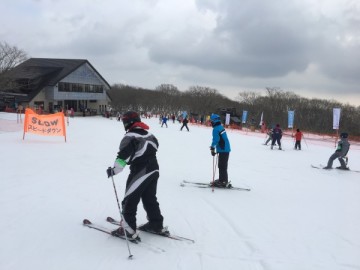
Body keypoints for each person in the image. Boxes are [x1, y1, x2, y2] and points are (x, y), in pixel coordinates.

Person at [106, 111, 165, 241]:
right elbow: (155, 146)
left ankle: (128, 230)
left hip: (141, 170)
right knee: (149, 197)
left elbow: (123, 156)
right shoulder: (150, 134)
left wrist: (114, 170)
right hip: (154, 169)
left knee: (129, 199)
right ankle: (156, 224)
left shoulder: (130, 137)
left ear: (128, 123)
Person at [209, 114, 231, 187]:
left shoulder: (216, 129)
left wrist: (212, 148)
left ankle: (224, 181)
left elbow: (216, 139)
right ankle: (222, 179)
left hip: (223, 149)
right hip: (225, 149)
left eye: (211, 121)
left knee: (222, 166)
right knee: (221, 165)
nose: (210, 122)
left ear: (214, 121)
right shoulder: (220, 127)